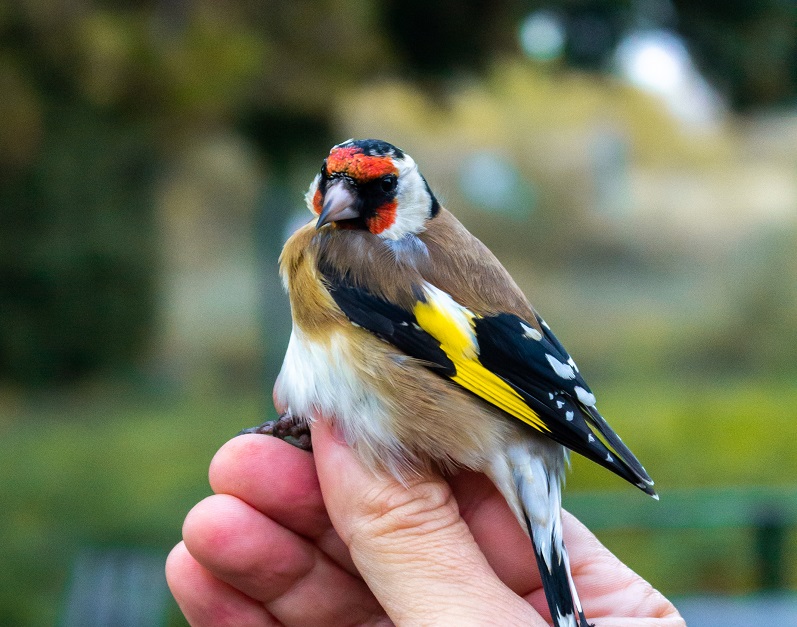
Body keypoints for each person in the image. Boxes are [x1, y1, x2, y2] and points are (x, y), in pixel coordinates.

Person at [166, 420, 685, 626]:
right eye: (333, 185)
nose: (344, 202)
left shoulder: (360, 259)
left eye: (373, 187)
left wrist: (394, 513)